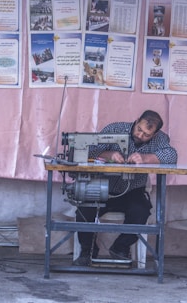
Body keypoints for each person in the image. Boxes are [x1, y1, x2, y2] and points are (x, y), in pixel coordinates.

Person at [73, 110, 178, 266]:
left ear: (154, 135)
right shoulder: (115, 129)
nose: (140, 136)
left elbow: (172, 155)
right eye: (139, 130)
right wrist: (109, 154)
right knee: (84, 208)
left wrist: (146, 158)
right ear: (136, 121)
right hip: (104, 187)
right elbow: (89, 149)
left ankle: (121, 247)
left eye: (146, 135)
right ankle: (87, 251)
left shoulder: (160, 139)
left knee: (141, 211)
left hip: (133, 190)